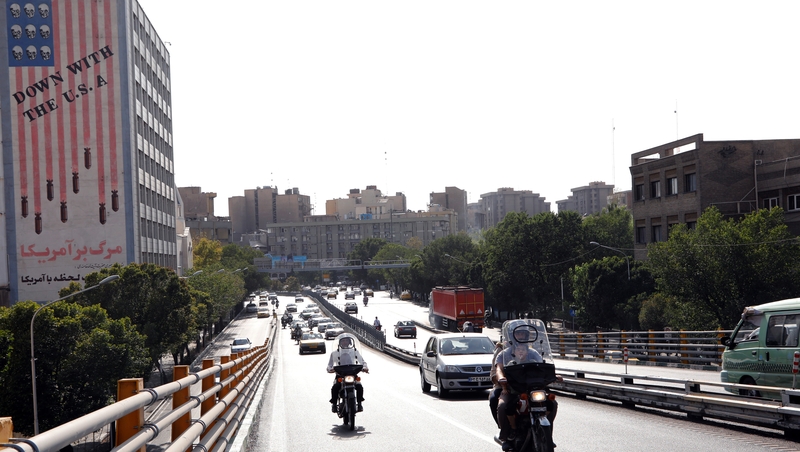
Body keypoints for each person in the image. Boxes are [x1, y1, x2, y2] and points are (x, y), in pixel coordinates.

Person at [495, 323, 560, 451]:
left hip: (532, 388)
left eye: (523, 334)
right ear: (512, 336)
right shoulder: (504, 354)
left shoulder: (533, 353)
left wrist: (554, 375)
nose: (521, 336)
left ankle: (547, 436)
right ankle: (507, 436)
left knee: (553, 404)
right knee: (502, 406)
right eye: (518, 334)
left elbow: (542, 366)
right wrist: (501, 378)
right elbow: (499, 369)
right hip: (513, 389)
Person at [327, 334, 369, 412]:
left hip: (352, 374)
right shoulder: (334, 353)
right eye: (343, 341)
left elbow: (362, 361)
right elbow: (329, 365)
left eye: (346, 340)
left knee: (359, 386)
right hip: (340, 375)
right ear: (340, 343)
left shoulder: (354, 352)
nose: (345, 342)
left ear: (350, 342)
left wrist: (365, 368)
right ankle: (334, 405)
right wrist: (330, 369)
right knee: (335, 387)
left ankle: (359, 404)